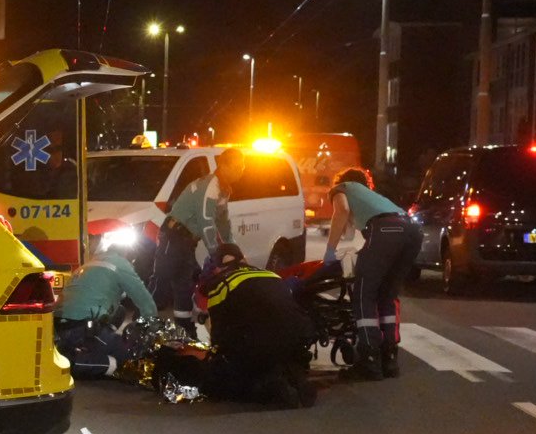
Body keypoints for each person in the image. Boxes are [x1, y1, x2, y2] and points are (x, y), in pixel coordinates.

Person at [188, 241, 316, 407]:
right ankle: (297, 380)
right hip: (297, 340)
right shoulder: (271, 275)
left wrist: (216, 362)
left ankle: (273, 390)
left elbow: (220, 336)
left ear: (218, 266)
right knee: (275, 352)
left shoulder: (223, 284)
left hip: (262, 344)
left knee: (222, 379)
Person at [323, 166, 422, 379]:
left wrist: (330, 251)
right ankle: (389, 357)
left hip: (386, 229)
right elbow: (354, 232)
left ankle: (369, 358)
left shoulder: (342, 188)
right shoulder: (374, 198)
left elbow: (341, 211)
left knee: (362, 293)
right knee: (386, 294)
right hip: (412, 231)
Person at [149, 147, 244, 337]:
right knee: (162, 279)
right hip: (174, 236)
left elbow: (223, 224)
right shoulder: (211, 186)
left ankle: (185, 330)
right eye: (238, 166)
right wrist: (217, 256)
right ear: (224, 165)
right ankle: (143, 322)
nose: (241, 170)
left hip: (186, 241)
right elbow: (206, 222)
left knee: (184, 285)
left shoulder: (224, 190)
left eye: (243, 166)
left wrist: (235, 252)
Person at [54, 246, 157, 378]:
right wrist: (152, 333)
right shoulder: (121, 264)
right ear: (128, 256)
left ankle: (99, 342)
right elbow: (146, 303)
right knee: (134, 358)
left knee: (120, 310)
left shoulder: (91, 262)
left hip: (60, 327)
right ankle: (78, 360)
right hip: (81, 328)